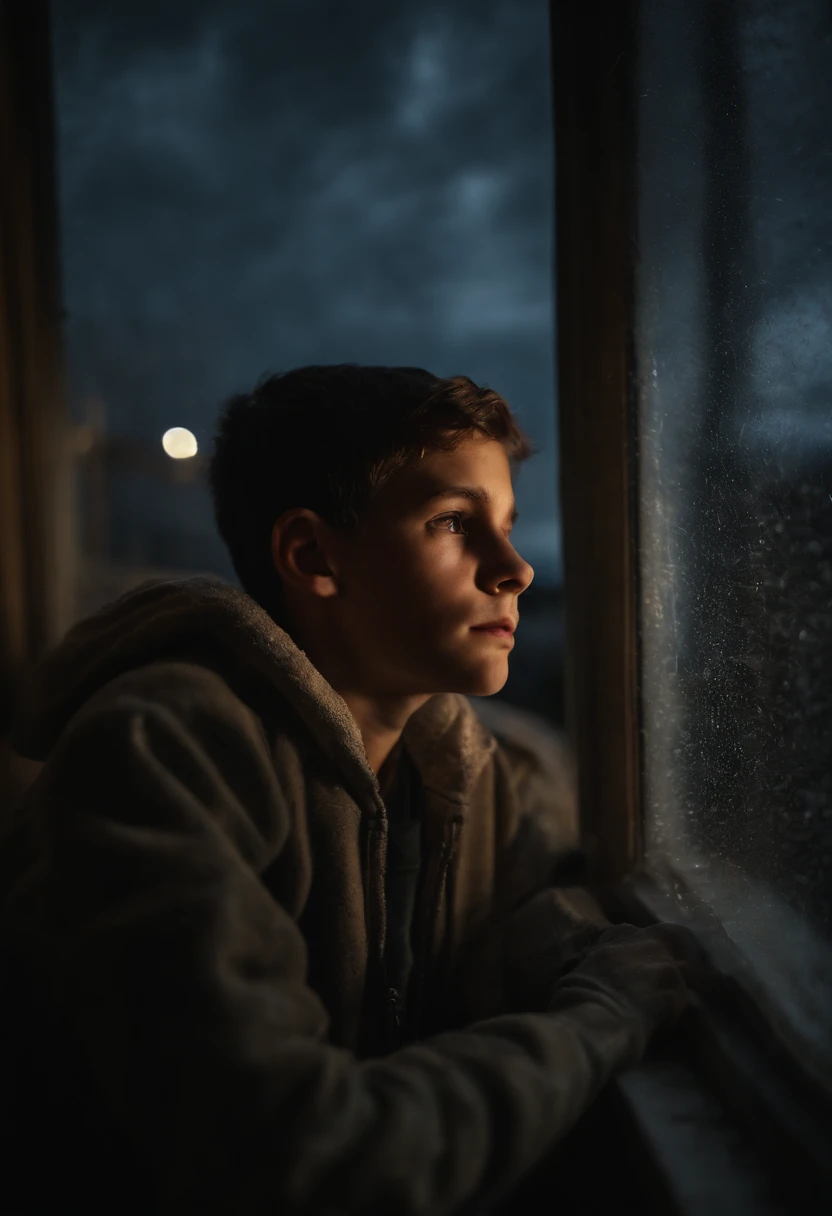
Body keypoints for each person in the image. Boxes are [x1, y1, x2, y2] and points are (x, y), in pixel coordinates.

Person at [2, 365, 709, 1216]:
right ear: (311, 555)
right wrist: (602, 1019)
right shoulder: (162, 751)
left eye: (509, 525)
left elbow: (524, 917)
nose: (514, 568)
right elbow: (297, 1160)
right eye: (453, 522)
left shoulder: (463, 771)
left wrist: (565, 949)